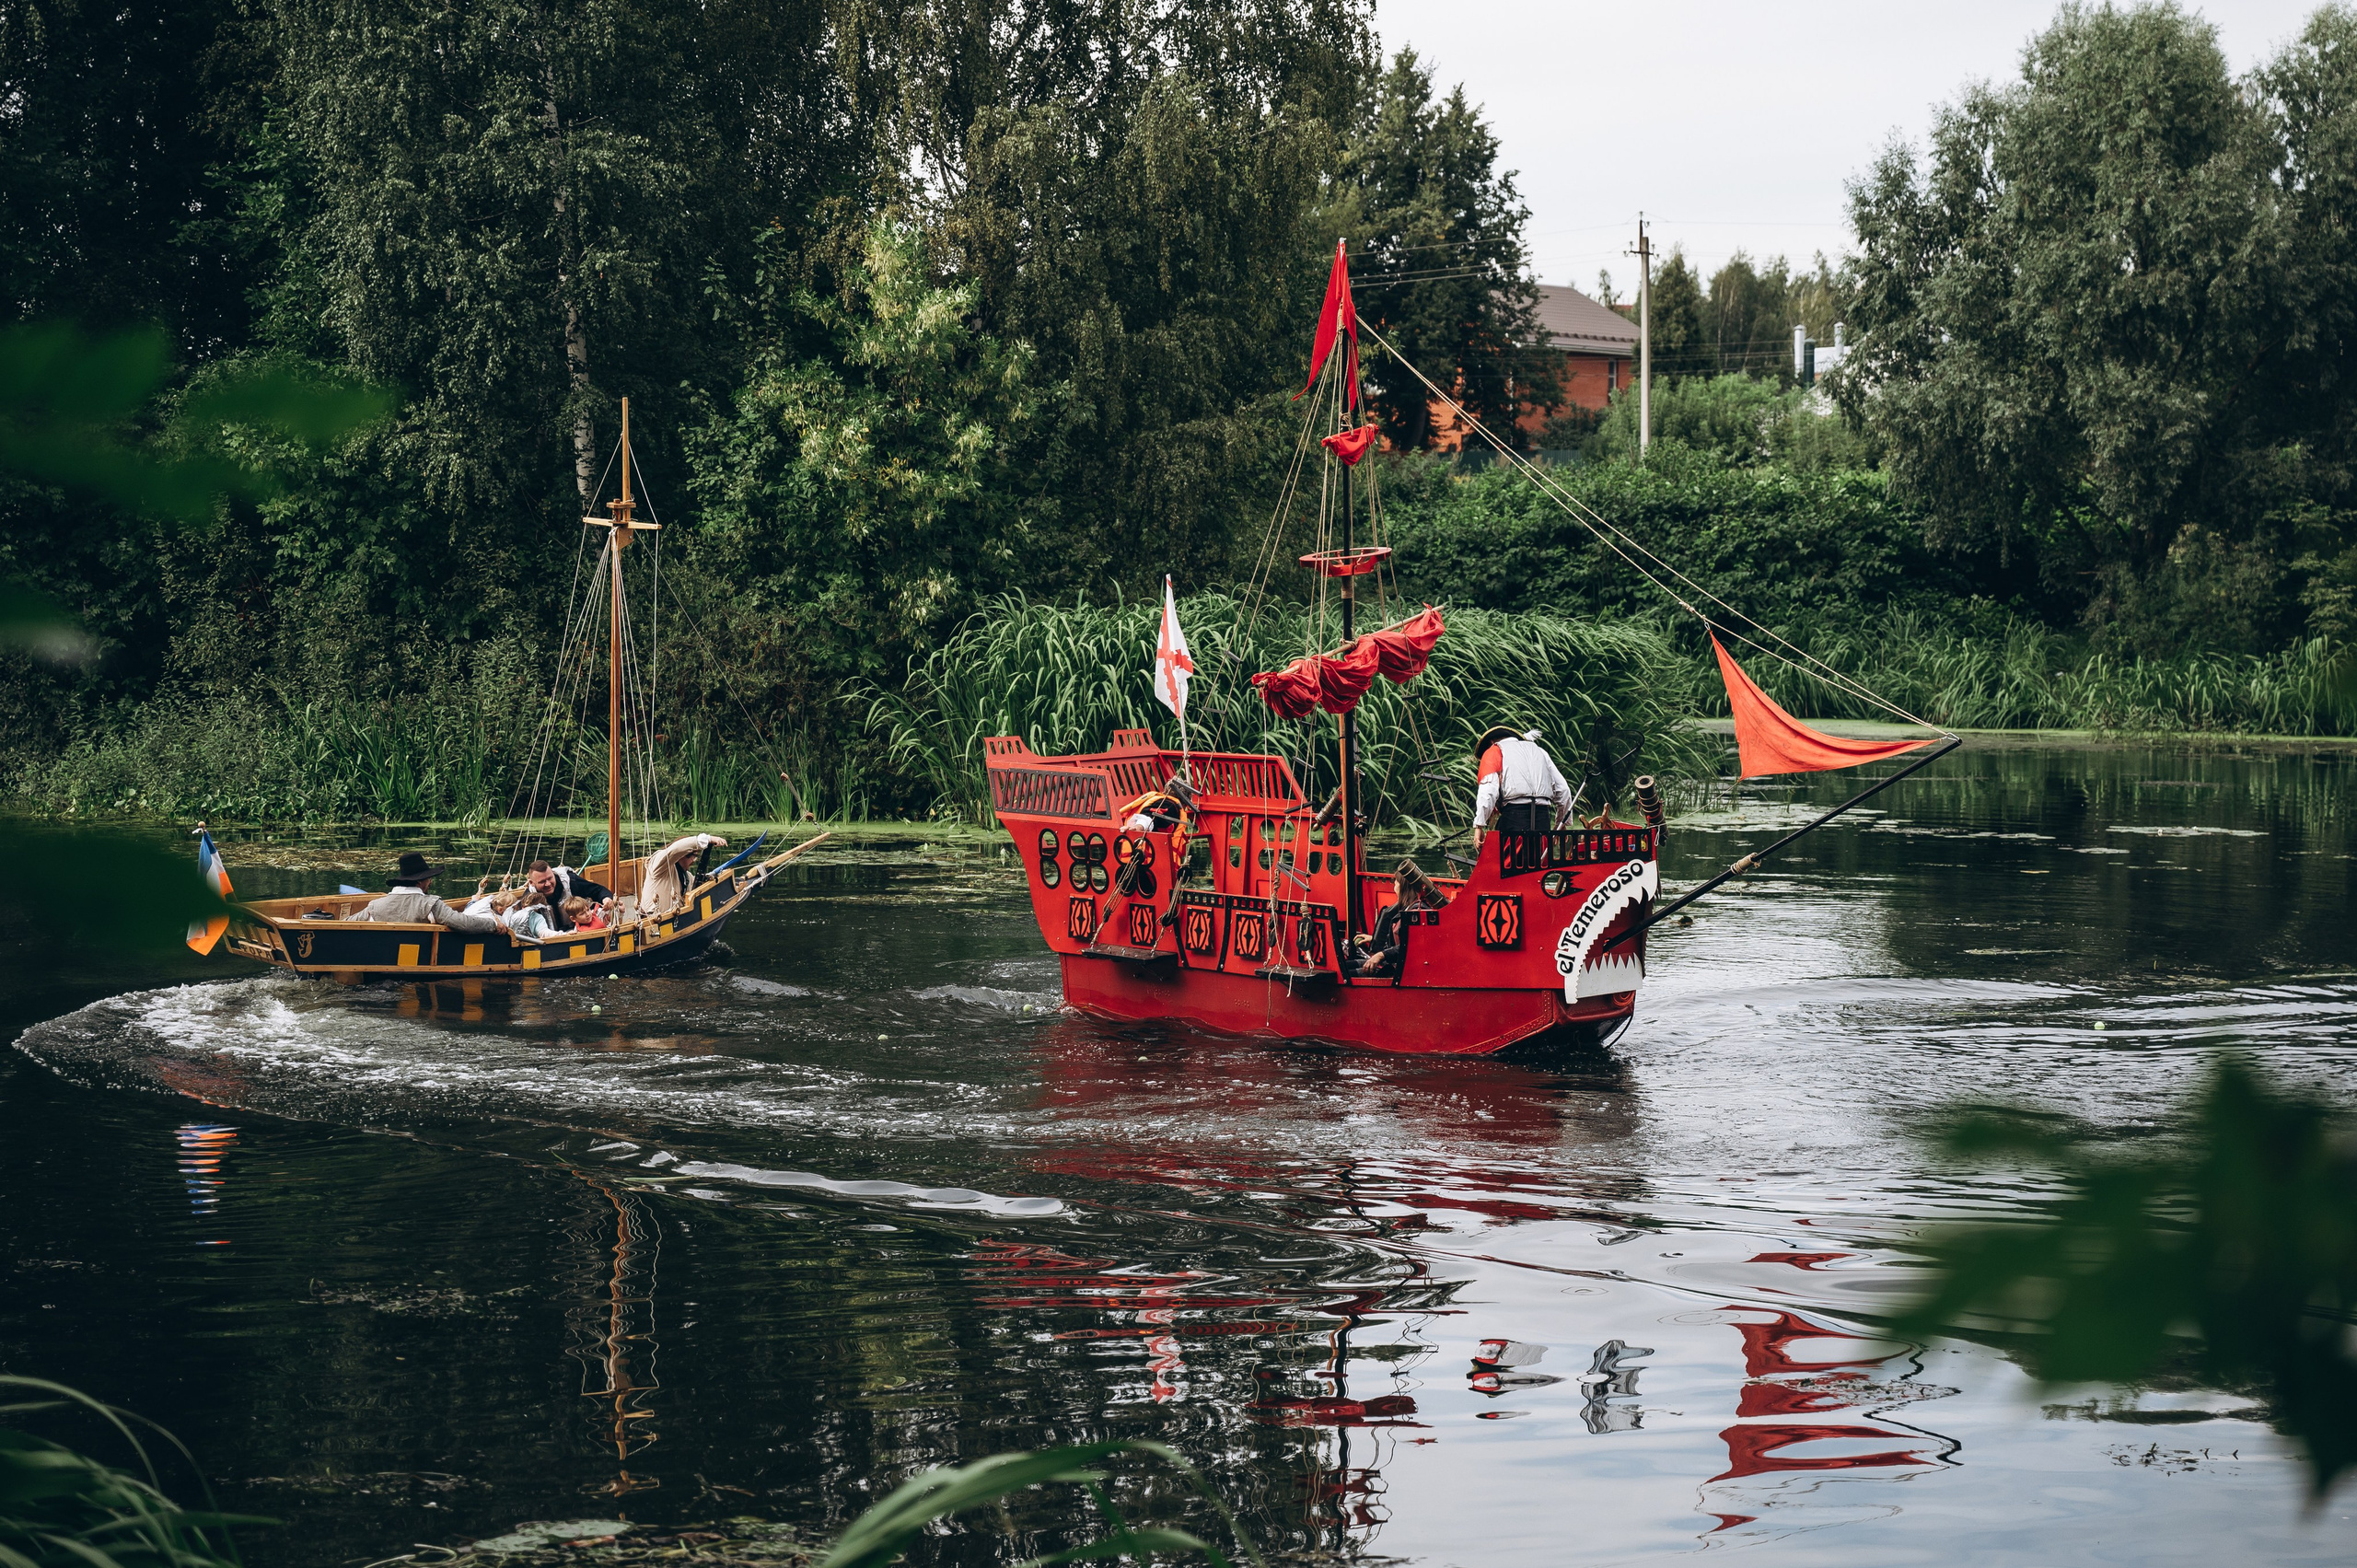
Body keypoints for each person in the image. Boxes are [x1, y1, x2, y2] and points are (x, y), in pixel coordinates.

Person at [1470, 725, 1574, 840]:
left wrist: (1479, 825)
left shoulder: (1494, 751)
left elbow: (1488, 791)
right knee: (1538, 857)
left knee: (1508, 857)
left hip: (1514, 817)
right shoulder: (1540, 751)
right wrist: (1561, 824)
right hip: (1543, 818)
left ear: (1491, 742)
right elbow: (1564, 790)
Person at [355, 853, 500, 933]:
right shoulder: (431, 904)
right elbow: (463, 923)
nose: (430, 881)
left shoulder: (375, 906)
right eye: (428, 878)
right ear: (419, 882)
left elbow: (347, 923)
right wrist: (493, 924)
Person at [1349, 860, 1446, 978]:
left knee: (1347, 974)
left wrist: (1381, 955)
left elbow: (1411, 945)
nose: (1394, 884)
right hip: (1393, 964)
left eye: (1396, 881)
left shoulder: (1416, 911)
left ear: (1403, 886)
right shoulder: (1407, 908)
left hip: (1400, 971)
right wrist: (1372, 938)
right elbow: (1401, 938)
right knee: (1347, 965)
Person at [639, 832, 728, 920]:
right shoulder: (659, 865)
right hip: (652, 922)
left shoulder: (687, 876)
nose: (694, 860)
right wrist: (707, 839)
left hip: (674, 921)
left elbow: (698, 886)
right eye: (692, 856)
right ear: (682, 855)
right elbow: (675, 849)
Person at [527, 859, 614, 931]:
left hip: (581, 931)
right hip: (551, 940)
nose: (548, 884)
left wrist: (606, 898)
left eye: (550, 878)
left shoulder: (571, 881)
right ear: (532, 883)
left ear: (553, 873)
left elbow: (598, 890)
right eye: (542, 881)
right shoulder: (529, 898)